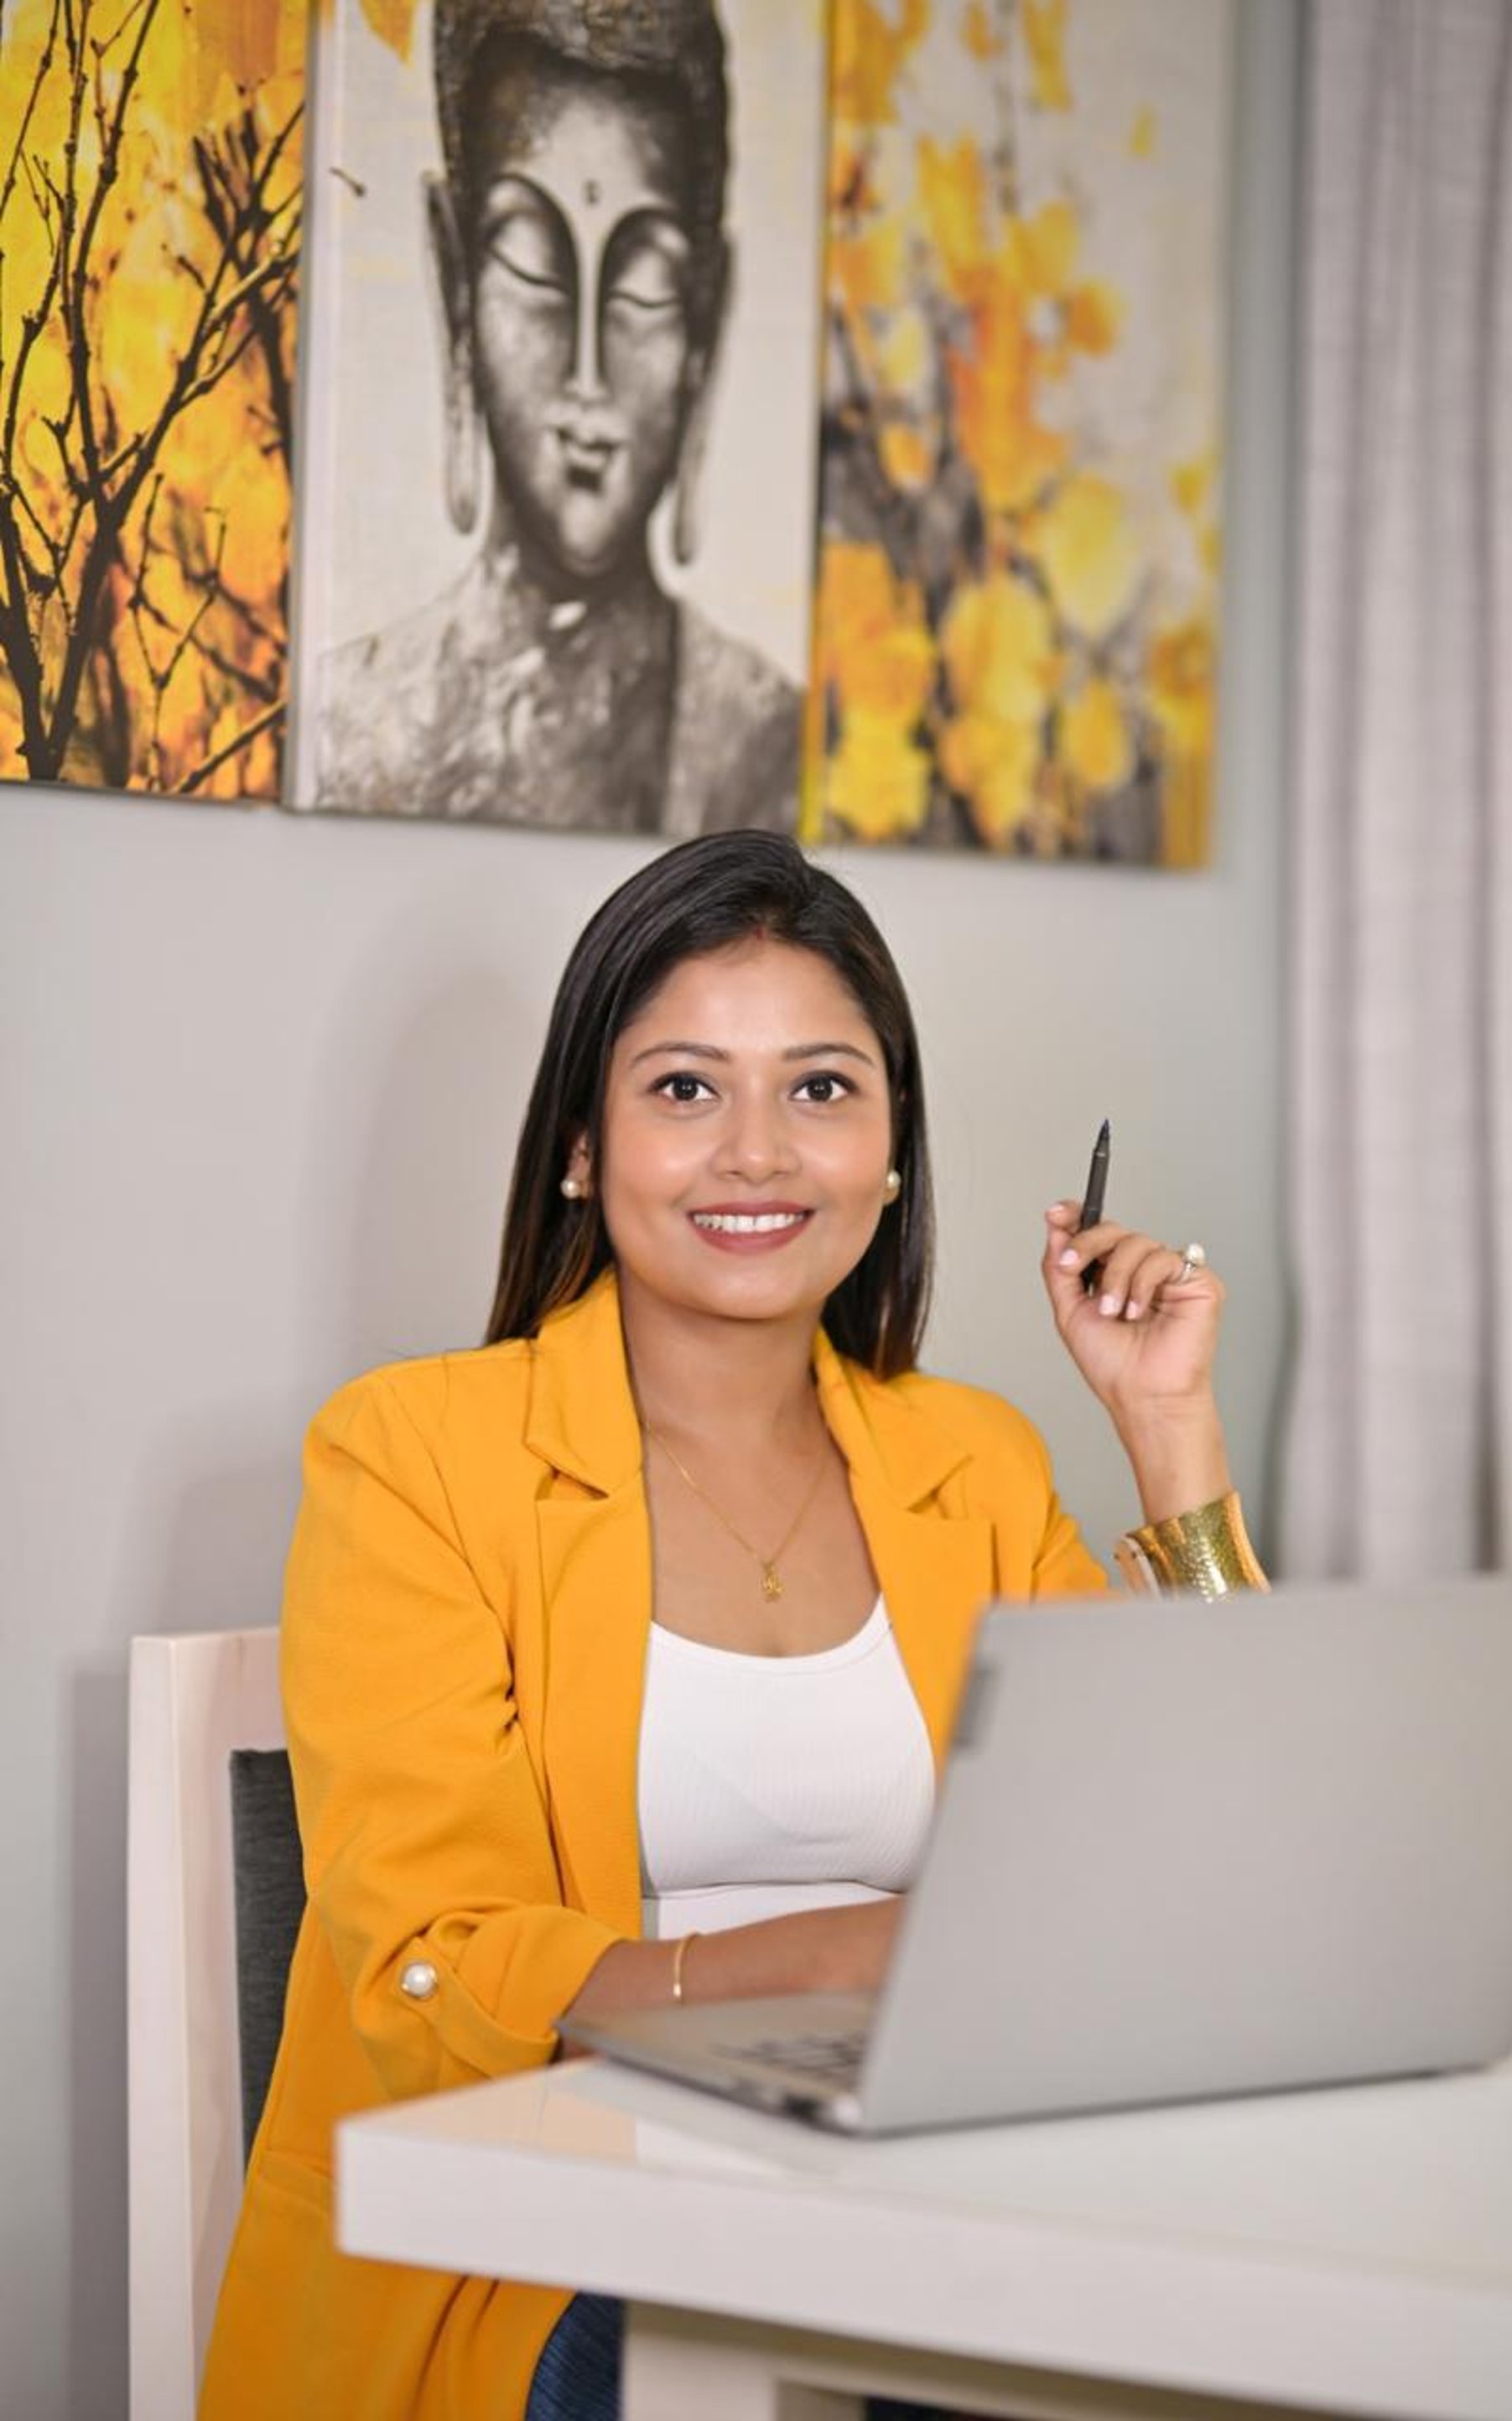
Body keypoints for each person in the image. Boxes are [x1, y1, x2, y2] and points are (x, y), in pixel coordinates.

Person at [200, 831, 1265, 2421]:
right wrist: (851, 1963)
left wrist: (1169, 1430)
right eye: (687, 1088)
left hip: (945, 2175)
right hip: (564, 2245)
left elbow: (1216, 1852)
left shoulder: (970, 1462)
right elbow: (435, 1962)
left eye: (823, 1088)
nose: (758, 1150)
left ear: (893, 1150)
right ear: (580, 1145)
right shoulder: (411, 1453)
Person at [316, 0, 801, 834]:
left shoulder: (763, 743)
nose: (586, 373)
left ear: (705, 318)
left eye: (645, 287)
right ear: (455, 275)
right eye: (535, 268)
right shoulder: (352, 721)